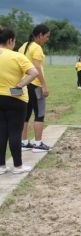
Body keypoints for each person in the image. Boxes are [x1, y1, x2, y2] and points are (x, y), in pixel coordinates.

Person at [0, 28, 39, 174]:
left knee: (1, 132)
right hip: (15, 97)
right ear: (10, 40)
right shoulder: (17, 56)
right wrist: (21, 84)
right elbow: (34, 72)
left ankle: (1, 166)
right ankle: (17, 166)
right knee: (15, 132)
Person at [18, 24, 52, 153]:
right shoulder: (37, 48)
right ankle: (38, 144)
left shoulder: (23, 46)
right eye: (47, 36)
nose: (47, 39)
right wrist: (44, 85)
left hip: (25, 84)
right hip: (36, 84)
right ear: (40, 35)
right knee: (40, 113)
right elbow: (37, 68)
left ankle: (24, 142)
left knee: (26, 115)